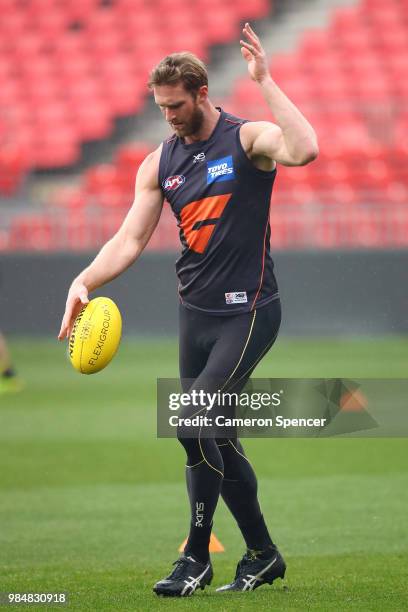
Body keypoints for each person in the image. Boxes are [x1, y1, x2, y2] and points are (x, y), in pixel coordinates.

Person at [58, 23, 318, 597]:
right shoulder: (158, 162)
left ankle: (204, 556)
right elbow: (128, 241)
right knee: (210, 434)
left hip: (248, 312)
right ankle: (251, 557)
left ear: (201, 93)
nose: (168, 115)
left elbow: (304, 149)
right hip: (194, 315)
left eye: (175, 105)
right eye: (160, 106)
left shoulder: (246, 139)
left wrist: (265, 81)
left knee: (194, 422)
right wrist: (83, 279)